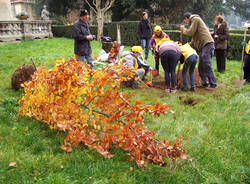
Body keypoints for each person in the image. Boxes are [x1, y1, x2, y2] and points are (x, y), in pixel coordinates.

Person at [180, 12, 217, 88]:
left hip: (207, 44)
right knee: (200, 66)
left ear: (186, 19)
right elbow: (193, 41)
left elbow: (190, 32)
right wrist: (184, 46)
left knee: (206, 63)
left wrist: (183, 30)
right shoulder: (194, 23)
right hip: (204, 46)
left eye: (185, 21)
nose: (185, 23)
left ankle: (213, 83)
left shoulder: (195, 19)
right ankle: (204, 83)